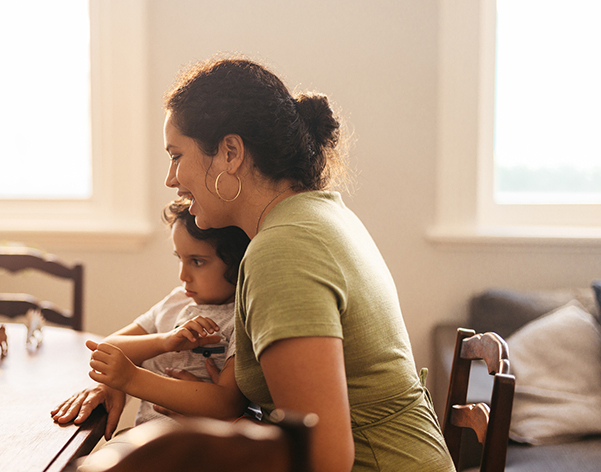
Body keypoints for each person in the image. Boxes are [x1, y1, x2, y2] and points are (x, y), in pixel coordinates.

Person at [162, 56, 454, 472]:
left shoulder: (282, 250)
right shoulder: (317, 214)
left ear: (230, 152)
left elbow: (323, 459)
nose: (171, 178)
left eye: (176, 156)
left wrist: (205, 436)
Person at [51, 199, 251, 439]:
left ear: (237, 261)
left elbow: (227, 403)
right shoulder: (176, 302)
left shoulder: (239, 317)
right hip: (142, 437)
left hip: (198, 448)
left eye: (197, 262)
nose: (183, 275)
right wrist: (163, 341)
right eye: (180, 258)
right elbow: (105, 349)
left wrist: (132, 378)